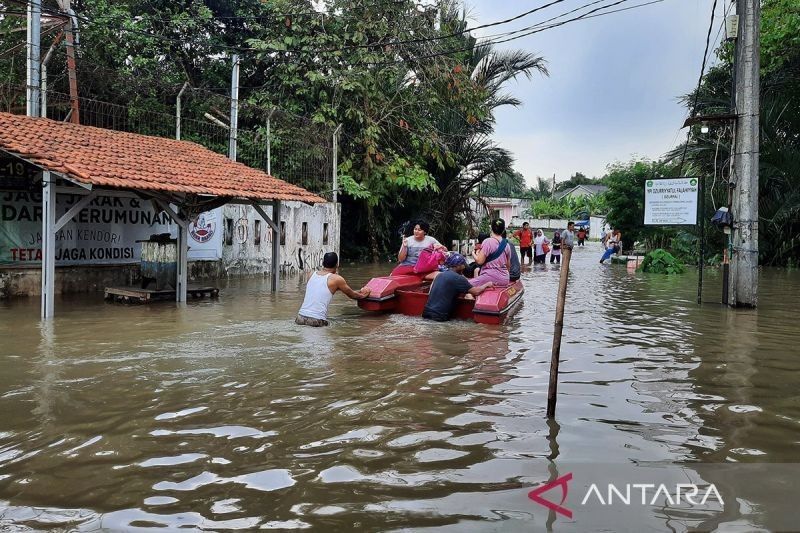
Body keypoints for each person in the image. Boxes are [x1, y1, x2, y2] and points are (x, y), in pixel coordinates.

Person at [296, 252, 371, 327]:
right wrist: (365, 294)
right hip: (316, 319)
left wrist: (359, 291)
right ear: (337, 264)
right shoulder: (337, 279)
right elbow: (353, 295)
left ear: (322, 262)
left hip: (300, 318)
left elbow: (322, 290)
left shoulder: (311, 274)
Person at [422, 253, 493, 322]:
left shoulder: (440, 275)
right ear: (458, 266)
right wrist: (486, 284)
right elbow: (476, 291)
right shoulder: (458, 278)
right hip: (439, 316)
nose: (465, 266)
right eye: (463, 264)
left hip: (426, 313)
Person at [470, 219, 511, 287]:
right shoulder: (507, 245)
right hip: (505, 279)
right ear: (503, 230)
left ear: (491, 228)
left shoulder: (488, 242)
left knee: (463, 285)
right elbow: (508, 266)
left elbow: (479, 261)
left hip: (489, 277)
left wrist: (473, 253)